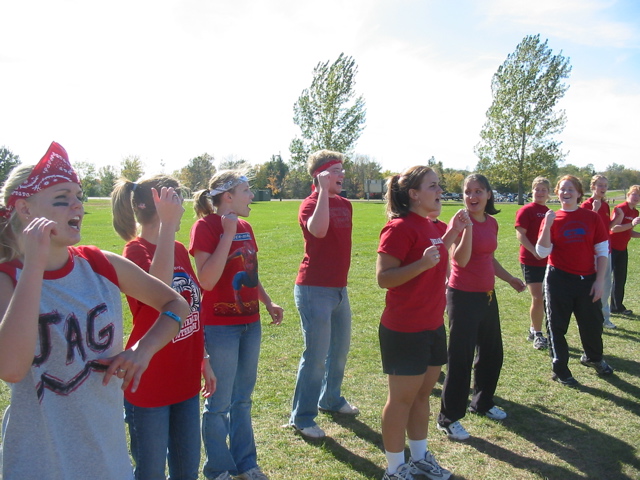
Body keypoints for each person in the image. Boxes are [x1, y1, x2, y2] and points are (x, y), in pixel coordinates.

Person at [0, 142, 189, 480]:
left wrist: (141, 350)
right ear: (25, 210)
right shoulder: (8, 279)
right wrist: (33, 264)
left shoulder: (100, 263)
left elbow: (176, 304)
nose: (77, 205)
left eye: (78, 195)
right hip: (38, 461)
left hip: (107, 457)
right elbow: (11, 369)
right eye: (62, 198)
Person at [111, 175, 216, 480]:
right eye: (175, 200)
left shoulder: (180, 248)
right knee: (151, 472)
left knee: (186, 471)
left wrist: (204, 358)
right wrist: (167, 226)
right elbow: (160, 295)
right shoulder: (135, 251)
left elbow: (193, 308)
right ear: (155, 204)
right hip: (150, 381)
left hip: (184, 378)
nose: (182, 207)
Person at [377, 166, 471, 480]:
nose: (440, 191)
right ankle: (394, 468)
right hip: (404, 328)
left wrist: (455, 232)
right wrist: (421, 264)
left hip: (432, 325)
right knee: (401, 399)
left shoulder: (433, 226)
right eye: (433, 186)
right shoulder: (399, 227)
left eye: (439, 185)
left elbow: (443, 254)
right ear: (414, 194)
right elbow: (384, 278)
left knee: (420, 396)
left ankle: (419, 458)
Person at [189, 170, 283, 480]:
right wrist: (226, 234)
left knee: (243, 399)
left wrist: (267, 301)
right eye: (246, 190)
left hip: (249, 323)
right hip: (220, 327)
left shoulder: (247, 226)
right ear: (227, 197)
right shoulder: (204, 227)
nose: (251, 196)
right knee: (219, 403)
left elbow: (250, 272)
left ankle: (245, 464)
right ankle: (218, 468)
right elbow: (206, 279)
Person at [437, 174, 526, 441]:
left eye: (478, 191)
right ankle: (449, 417)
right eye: (467, 192)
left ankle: (482, 402)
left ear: (488, 195)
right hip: (462, 296)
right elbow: (461, 260)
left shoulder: (493, 222)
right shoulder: (460, 221)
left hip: (486, 296)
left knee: (491, 353)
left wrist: (509, 279)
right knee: (460, 359)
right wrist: (468, 230)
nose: (472, 197)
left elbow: (488, 258)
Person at [289, 149, 358, 440]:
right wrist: (320, 192)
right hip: (313, 289)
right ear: (322, 174)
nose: (343, 175)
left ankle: (330, 398)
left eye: (343, 170)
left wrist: (329, 192)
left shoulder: (345, 204)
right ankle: (302, 417)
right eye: (336, 171)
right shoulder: (309, 204)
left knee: (339, 350)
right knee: (316, 356)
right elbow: (318, 231)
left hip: (339, 289)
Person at [536, 175, 614, 387]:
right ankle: (560, 367)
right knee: (556, 326)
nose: (566, 193)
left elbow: (602, 251)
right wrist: (547, 224)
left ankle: (594, 358)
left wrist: (599, 282)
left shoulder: (591, 217)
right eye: (562, 189)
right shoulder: (551, 217)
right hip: (558, 278)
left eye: (570, 189)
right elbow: (542, 252)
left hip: (587, 279)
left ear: (579, 193)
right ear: (557, 193)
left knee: (592, 324)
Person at [515, 177, 551, 349]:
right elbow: (520, 234)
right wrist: (534, 251)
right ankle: (538, 334)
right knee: (538, 297)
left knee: (546, 298)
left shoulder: (550, 212)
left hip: (548, 261)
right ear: (532, 191)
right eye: (537, 189)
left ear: (548, 192)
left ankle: (533, 329)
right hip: (530, 260)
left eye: (544, 189)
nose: (540, 192)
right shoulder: (526, 210)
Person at [581, 175, 616, 329]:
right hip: (591, 252)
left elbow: (606, 228)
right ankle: (589, 316)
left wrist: (618, 219)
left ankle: (604, 317)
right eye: (600, 185)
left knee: (606, 284)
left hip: (606, 250)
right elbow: (585, 230)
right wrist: (594, 210)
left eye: (605, 185)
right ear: (593, 187)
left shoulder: (606, 206)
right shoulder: (586, 205)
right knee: (591, 284)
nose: (603, 188)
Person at [609, 185, 640, 315]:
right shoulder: (620, 209)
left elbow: (629, 231)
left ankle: (617, 306)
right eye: (634, 194)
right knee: (605, 279)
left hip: (623, 248)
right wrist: (631, 223)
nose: (636, 197)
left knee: (621, 278)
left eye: (639, 195)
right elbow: (613, 228)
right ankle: (597, 307)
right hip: (611, 248)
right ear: (628, 195)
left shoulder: (636, 212)